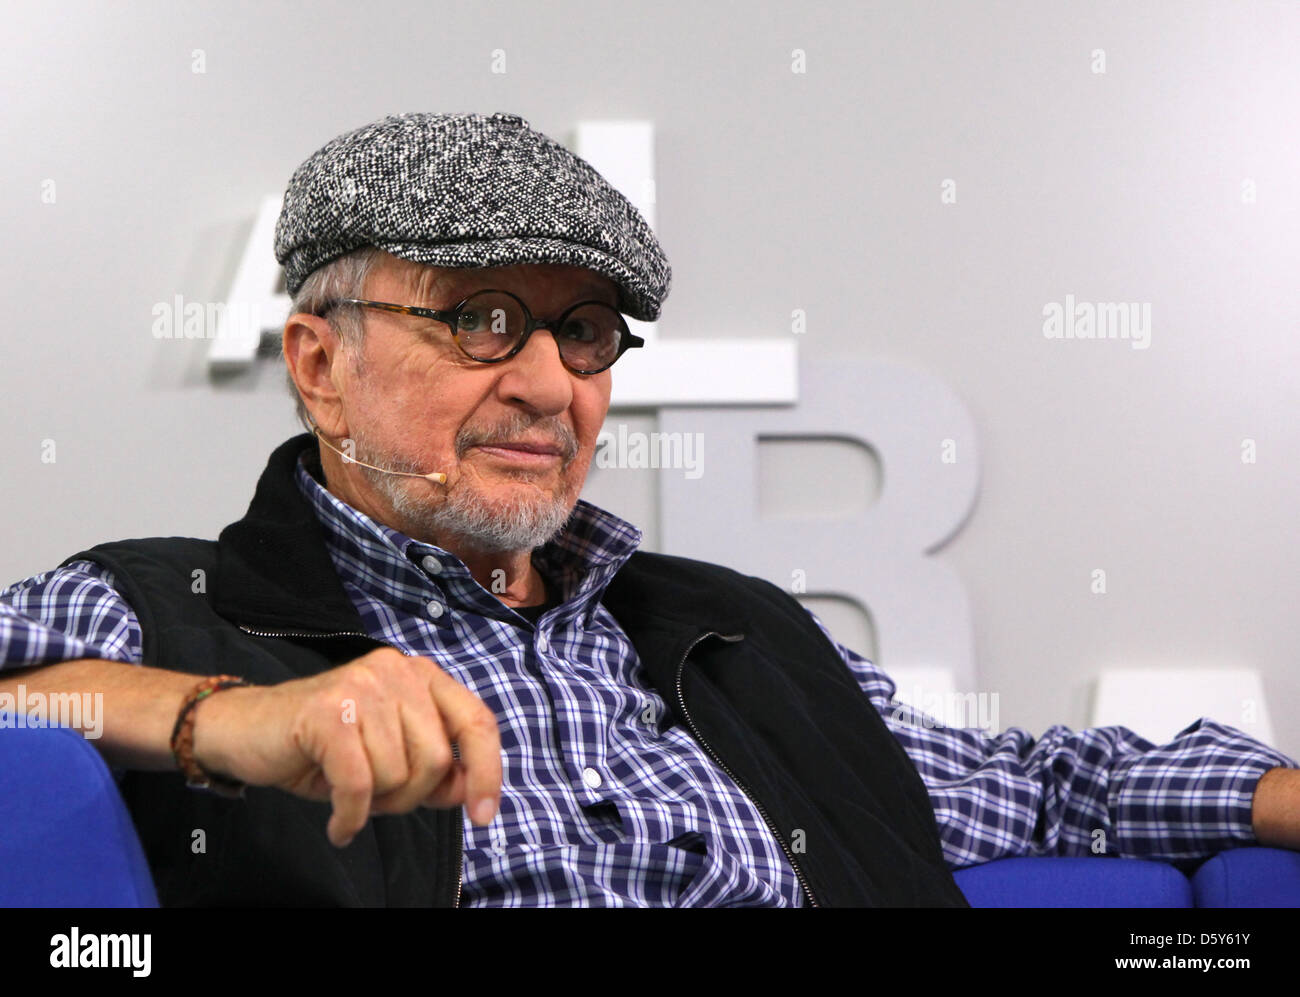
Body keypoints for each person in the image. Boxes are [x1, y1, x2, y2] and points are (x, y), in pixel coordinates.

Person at [1, 112, 1296, 908]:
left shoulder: (732, 639)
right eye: (480, 318)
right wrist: (218, 718)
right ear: (321, 365)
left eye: (581, 332)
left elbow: (1044, 788)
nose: (546, 382)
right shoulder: (169, 607)